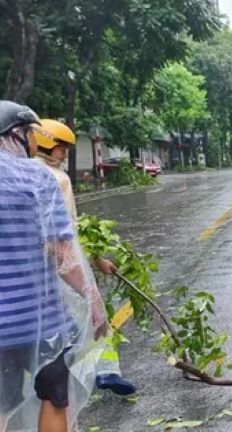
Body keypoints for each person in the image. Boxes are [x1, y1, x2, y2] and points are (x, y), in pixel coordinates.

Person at [0, 100, 107, 432]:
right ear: (17, 134)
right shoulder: (36, 176)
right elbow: (63, 254)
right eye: (31, 133)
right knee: (54, 399)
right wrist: (94, 301)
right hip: (40, 322)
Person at [33, 119, 137, 397]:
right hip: (60, 266)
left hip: (29, 271)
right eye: (61, 148)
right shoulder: (57, 179)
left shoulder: (18, 173)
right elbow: (67, 233)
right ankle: (103, 372)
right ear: (46, 143)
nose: (65, 153)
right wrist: (93, 262)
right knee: (93, 312)